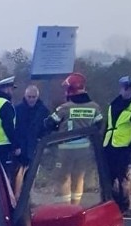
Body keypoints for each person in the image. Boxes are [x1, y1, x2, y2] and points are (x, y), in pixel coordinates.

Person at [45, 72, 105, 205]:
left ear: (70, 90)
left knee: (63, 178)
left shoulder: (65, 108)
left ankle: (65, 209)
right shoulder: (94, 107)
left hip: (65, 150)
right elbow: (99, 126)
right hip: (85, 150)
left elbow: (49, 123)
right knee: (79, 178)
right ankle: (76, 206)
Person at [102, 75, 131, 212]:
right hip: (109, 145)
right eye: (126, 88)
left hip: (123, 148)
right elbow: (108, 125)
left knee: (122, 178)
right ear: (121, 89)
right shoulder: (113, 104)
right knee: (108, 177)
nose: (128, 91)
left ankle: (123, 206)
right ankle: (110, 203)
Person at [13, 84, 50, 193]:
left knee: (32, 175)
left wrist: (44, 143)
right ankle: (17, 198)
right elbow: (14, 129)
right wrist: (16, 146)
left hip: (35, 147)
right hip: (21, 147)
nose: (31, 99)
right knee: (18, 175)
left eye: (34, 97)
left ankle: (29, 197)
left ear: (37, 97)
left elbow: (47, 129)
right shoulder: (18, 109)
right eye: (29, 97)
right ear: (25, 96)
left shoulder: (43, 111)